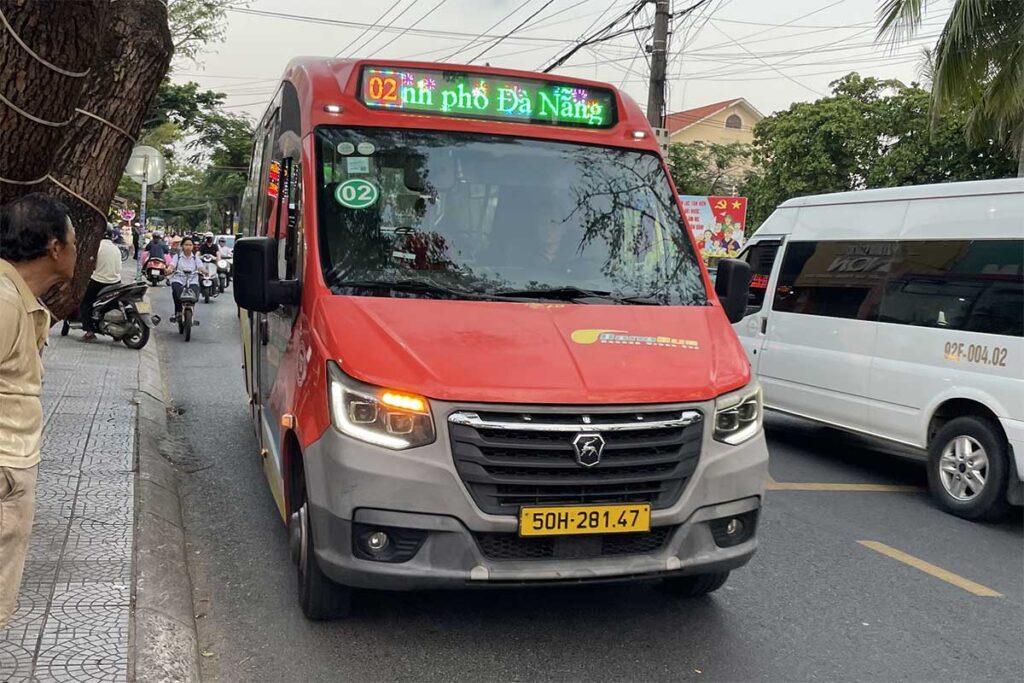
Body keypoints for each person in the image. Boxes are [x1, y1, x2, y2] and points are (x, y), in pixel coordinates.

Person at [0, 193, 77, 627]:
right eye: (73, 239)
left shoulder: (16, 296)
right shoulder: (4, 302)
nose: (76, 249)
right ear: (54, 247)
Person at [80, 228, 123, 341]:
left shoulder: (97, 247)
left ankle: (89, 332)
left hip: (99, 281)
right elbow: (119, 268)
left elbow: (90, 264)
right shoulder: (116, 249)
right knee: (114, 304)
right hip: (116, 282)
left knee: (86, 303)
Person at [168, 237, 201, 323]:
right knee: (177, 292)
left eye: (190, 245)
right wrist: (169, 269)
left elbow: (201, 267)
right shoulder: (177, 256)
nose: (188, 247)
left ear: (193, 246)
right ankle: (178, 312)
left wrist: (205, 271)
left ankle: (191, 311)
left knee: (194, 294)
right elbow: (172, 266)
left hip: (192, 280)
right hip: (179, 279)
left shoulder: (195, 258)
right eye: (186, 245)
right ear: (182, 246)